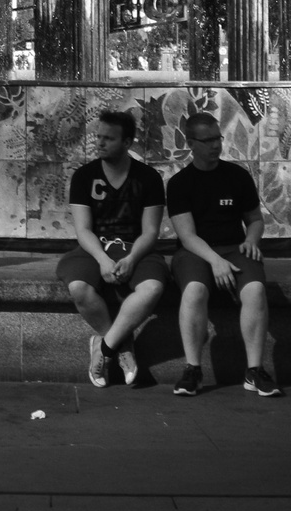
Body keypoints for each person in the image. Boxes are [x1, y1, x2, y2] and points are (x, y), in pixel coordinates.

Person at [164, 112, 279, 398]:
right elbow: (187, 236)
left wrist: (252, 239)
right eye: (207, 140)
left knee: (254, 290)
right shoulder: (180, 183)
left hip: (234, 247)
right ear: (191, 143)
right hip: (195, 251)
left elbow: (254, 219)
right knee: (194, 291)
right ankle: (193, 369)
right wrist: (215, 261)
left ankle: (255, 370)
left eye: (217, 138)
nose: (215, 145)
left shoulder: (237, 176)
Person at [58, 109, 168, 389]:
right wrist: (103, 260)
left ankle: (104, 347)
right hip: (95, 247)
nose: (100, 142)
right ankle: (121, 345)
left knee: (153, 288)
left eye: (109, 138)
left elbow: (151, 231)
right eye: (99, 136)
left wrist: (132, 259)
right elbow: (83, 230)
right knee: (78, 287)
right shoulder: (84, 176)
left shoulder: (148, 178)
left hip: (135, 248)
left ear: (127, 142)